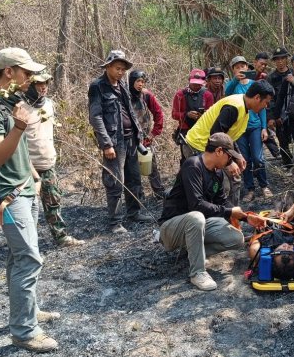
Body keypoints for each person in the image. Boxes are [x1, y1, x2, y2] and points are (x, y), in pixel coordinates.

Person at [0, 47, 59, 353]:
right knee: (29, 258)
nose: (30, 79)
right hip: (9, 198)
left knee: (18, 257)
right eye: (26, 73)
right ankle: (24, 331)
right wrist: (21, 125)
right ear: (8, 72)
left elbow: (16, 147)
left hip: (24, 188)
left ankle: (28, 310)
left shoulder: (9, 103)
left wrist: (32, 173)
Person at [159, 133, 253, 291]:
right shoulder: (192, 165)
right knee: (196, 217)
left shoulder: (216, 173)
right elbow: (197, 205)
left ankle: (193, 253)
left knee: (236, 238)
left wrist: (245, 217)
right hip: (171, 228)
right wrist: (229, 211)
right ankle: (197, 273)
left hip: (197, 225)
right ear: (219, 151)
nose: (230, 161)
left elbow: (222, 202)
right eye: (229, 157)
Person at [88, 50, 154, 235]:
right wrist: (106, 144)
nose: (120, 72)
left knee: (134, 178)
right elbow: (96, 116)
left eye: (123, 69)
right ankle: (115, 222)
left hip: (131, 138)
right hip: (114, 141)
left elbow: (130, 111)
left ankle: (134, 213)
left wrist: (138, 133)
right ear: (108, 66)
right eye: (117, 68)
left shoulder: (123, 85)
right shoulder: (97, 86)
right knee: (115, 181)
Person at [184, 79, 275, 206]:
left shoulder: (245, 108)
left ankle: (231, 215)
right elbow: (216, 135)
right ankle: (217, 219)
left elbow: (229, 136)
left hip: (215, 146)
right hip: (200, 145)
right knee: (219, 185)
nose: (266, 106)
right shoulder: (234, 107)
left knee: (235, 178)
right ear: (257, 97)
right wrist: (229, 162)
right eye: (266, 102)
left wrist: (238, 155)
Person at [24, 71, 85, 248]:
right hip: (27, 167)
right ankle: (28, 243)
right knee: (29, 206)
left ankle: (60, 236)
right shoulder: (21, 107)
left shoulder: (50, 105)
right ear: (30, 85)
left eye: (46, 84)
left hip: (48, 163)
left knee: (53, 201)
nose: (43, 87)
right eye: (39, 84)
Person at [225, 56, 272, 202]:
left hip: (255, 126)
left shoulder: (255, 84)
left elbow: (263, 108)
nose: (240, 69)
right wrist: (234, 80)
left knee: (258, 157)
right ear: (233, 70)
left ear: (247, 67)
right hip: (240, 128)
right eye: (237, 67)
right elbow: (226, 94)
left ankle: (264, 186)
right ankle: (250, 189)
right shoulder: (232, 86)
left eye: (242, 66)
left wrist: (264, 128)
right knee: (243, 159)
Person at [128, 69, 166, 199]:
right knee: (133, 171)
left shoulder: (146, 95)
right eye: (138, 81)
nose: (140, 84)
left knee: (151, 165)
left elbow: (158, 113)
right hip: (129, 139)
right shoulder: (124, 95)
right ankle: (138, 196)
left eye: (143, 82)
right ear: (131, 81)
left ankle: (159, 192)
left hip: (145, 139)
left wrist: (153, 133)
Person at [171, 68, 214, 144]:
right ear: (189, 80)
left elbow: (211, 115)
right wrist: (187, 114)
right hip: (185, 131)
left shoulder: (208, 95)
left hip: (202, 130)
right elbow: (174, 115)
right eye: (194, 83)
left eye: (199, 84)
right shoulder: (180, 95)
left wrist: (203, 114)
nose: (196, 86)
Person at [266, 47, 293, 168]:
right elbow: (270, 99)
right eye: (277, 59)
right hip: (279, 114)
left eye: (282, 58)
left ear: (287, 59)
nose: (280, 61)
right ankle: (288, 163)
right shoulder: (271, 78)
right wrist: (272, 117)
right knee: (282, 139)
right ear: (274, 61)